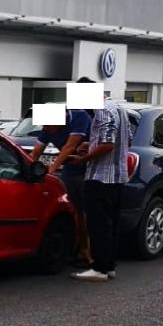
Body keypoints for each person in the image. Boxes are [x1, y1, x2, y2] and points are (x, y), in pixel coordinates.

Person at [71, 92, 130, 282]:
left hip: (100, 177)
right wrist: (91, 144)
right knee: (111, 225)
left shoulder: (102, 111)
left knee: (98, 225)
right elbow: (126, 139)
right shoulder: (119, 109)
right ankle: (110, 266)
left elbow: (107, 144)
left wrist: (83, 159)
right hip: (118, 177)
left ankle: (99, 268)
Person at [27, 107, 93, 267]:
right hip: (71, 168)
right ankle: (76, 248)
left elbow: (69, 147)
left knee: (84, 211)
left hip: (90, 168)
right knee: (72, 208)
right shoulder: (49, 126)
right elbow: (35, 152)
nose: (45, 129)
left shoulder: (80, 117)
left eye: (48, 126)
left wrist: (53, 168)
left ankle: (87, 252)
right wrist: (27, 166)